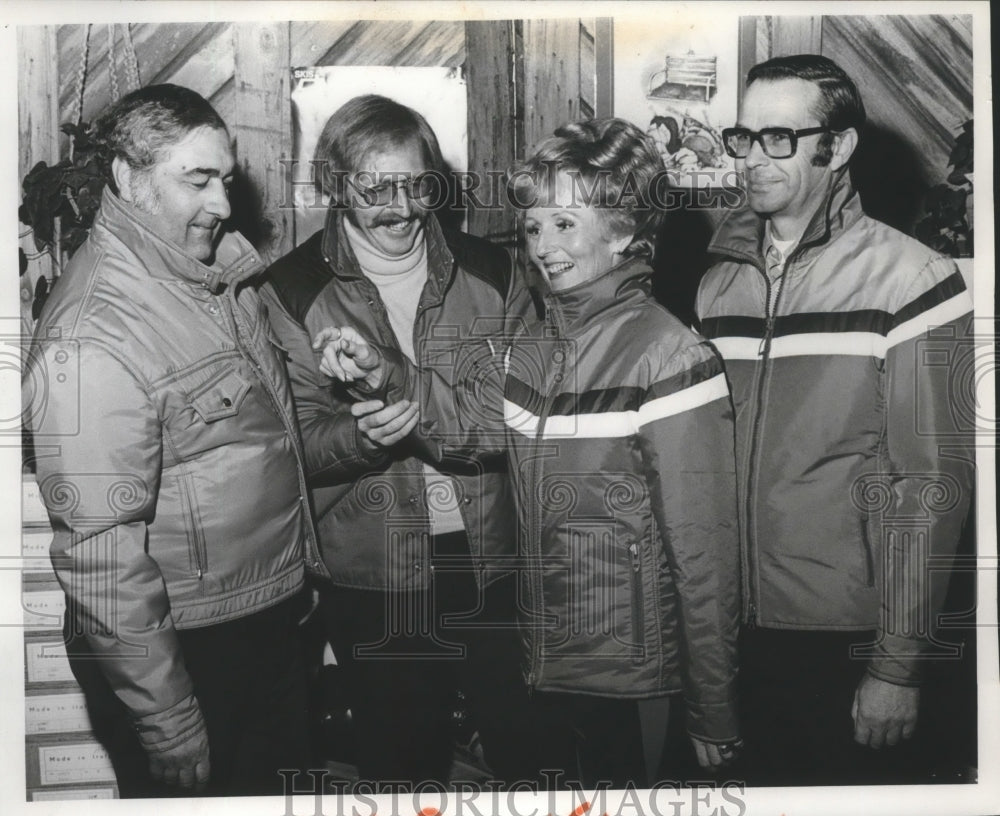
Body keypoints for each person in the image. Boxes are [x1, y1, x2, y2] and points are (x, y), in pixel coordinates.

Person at [317, 118, 742, 786]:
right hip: (547, 668)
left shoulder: (670, 356)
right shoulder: (539, 345)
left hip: (635, 679)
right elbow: (460, 420)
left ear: (626, 228)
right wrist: (380, 371)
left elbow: (706, 555)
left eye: (565, 224)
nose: (543, 246)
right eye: (536, 227)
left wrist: (714, 705)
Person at [22, 84, 324, 797]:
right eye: (197, 179)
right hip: (193, 653)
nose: (222, 203)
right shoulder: (91, 337)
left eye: (225, 178)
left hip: (260, 623)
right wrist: (168, 720)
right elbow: (101, 554)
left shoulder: (209, 274)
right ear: (128, 179)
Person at [696, 54, 975, 785]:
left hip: (846, 639)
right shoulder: (716, 281)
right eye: (744, 137)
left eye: (778, 138)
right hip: (729, 633)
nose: (754, 158)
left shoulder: (914, 280)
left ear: (838, 146)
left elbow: (929, 484)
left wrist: (898, 665)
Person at [261, 94, 541, 786]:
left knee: (527, 753)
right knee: (401, 764)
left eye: (418, 184)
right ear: (333, 184)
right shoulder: (288, 289)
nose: (403, 207)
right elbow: (287, 451)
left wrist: (406, 399)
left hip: (494, 557)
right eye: (374, 187)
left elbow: (524, 424)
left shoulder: (495, 271)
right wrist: (360, 437)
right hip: (374, 574)